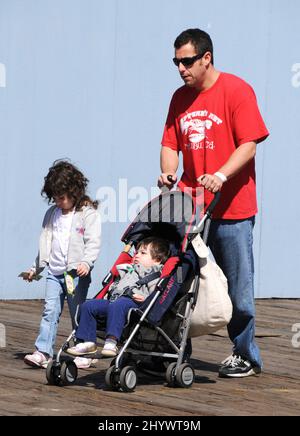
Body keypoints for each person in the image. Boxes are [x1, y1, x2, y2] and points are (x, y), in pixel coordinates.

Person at [158, 28, 269, 378]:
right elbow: (169, 144)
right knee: (180, 281)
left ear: (207, 57)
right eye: (176, 61)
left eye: (187, 61)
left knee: (238, 288)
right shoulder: (179, 98)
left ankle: (246, 355)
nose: (181, 68)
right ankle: (175, 350)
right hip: (191, 208)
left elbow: (249, 144)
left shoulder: (237, 90)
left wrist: (220, 174)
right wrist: (168, 173)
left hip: (233, 208)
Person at [23, 159, 101, 369]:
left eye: (63, 197)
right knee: (50, 311)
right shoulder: (51, 214)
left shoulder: (87, 213)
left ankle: (85, 348)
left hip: (74, 275)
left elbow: (93, 242)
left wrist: (87, 261)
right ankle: (43, 351)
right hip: (54, 273)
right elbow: (45, 244)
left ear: (74, 192)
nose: (59, 201)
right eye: (55, 197)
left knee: (78, 312)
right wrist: (35, 268)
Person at [66, 237, 169, 358]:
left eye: (143, 253)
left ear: (157, 260)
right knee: (88, 305)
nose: (137, 255)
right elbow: (116, 283)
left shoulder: (155, 274)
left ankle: (111, 341)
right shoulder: (129, 269)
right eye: (137, 252)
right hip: (115, 301)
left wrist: (145, 298)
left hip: (135, 304)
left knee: (119, 304)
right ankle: (88, 342)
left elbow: (155, 295)